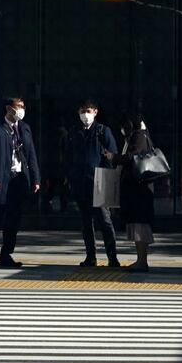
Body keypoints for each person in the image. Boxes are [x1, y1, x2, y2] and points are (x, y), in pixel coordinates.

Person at [0, 96, 41, 268]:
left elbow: (31, 155)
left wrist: (35, 178)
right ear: (8, 108)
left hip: (19, 179)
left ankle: (6, 255)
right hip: (1, 179)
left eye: (22, 106)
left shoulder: (25, 129)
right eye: (17, 106)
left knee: (13, 220)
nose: (20, 109)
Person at [64, 99, 120, 267]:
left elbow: (112, 155)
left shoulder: (103, 131)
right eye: (82, 111)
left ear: (95, 112)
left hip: (99, 181)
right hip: (81, 183)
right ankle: (91, 256)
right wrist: (70, 176)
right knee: (86, 222)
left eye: (88, 111)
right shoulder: (74, 132)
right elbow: (68, 157)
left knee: (105, 220)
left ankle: (112, 256)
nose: (85, 115)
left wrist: (106, 177)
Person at [103, 115, 155, 272]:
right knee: (137, 225)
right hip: (138, 190)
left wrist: (113, 157)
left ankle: (142, 260)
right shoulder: (141, 136)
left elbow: (131, 158)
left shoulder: (139, 136)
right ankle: (140, 259)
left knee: (139, 225)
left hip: (138, 191)